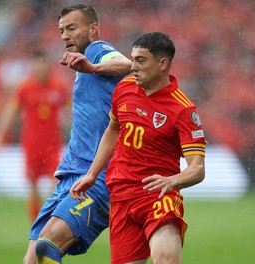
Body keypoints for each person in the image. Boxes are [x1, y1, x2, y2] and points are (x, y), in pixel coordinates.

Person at [70, 32, 206, 264]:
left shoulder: (183, 109)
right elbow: (113, 129)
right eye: (132, 59)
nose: (132, 66)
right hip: (121, 195)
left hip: (158, 194)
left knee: (165, 258)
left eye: (140, 60)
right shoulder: (124, 88)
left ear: (162, 64)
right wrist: (92, 174)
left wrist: (172, 181)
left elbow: (198, 169)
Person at [23, 4, 132, 264]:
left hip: (96, 177)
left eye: (72, 28)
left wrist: (92, 67)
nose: (64, 35)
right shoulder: (81, 63)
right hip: (70, 176)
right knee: (31, 260)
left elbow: (127, 64)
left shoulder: (97, 50)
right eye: (61, 30)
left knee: (48, 245)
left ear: (93, 29)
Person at [0, 51, 70, 222]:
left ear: (48, 65)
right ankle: (36, 222)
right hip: (32, 144)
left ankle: (51, 218)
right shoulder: (25, 87)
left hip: (52, 145)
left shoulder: (59, 86)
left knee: (54, 182)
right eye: (37, 64)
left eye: (43, 64)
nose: (40, 68)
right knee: (33, 184)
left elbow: (72, 110)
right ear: (33, 66)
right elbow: (10, 111)